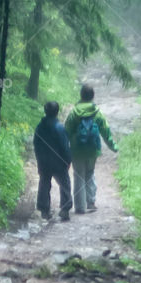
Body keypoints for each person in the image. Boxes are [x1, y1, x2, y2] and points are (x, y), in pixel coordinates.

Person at [64, 83, 118, 214]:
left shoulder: (74, 113)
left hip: (77, 150)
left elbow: (66, 132)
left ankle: (80, 207)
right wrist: (113, 146)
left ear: (81, 95)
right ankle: (91, 201)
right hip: (93, 150)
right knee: (90, 173)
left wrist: (64, 149)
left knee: (78, 176)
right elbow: (106, 131)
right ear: (93, 96)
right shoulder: (97, 113)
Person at [33, 100, 72, 223]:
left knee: (44, 184)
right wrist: (68, 160)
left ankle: (44, 210)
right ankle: (65, 209)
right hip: (59, 162)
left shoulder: (40, 127)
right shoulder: (59, 127)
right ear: (57, 112)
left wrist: (39, 160)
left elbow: (36, 145)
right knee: (64, 183)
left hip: (44, 162)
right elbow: (65, 146)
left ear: (45, 111)